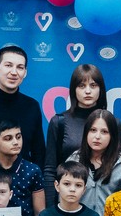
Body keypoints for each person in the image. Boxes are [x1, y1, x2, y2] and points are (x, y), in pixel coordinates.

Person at [44, 64, 107, 207]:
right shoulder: (59, 122)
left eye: (93, 85)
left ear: (101, 89)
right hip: (67, 203)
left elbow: (118, 168)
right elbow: (49, 170)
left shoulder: (112, 123)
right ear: (73, 89)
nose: (88, 91)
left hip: (104, 203)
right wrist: (51, 209)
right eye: (81, 86)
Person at [68, 109, 121, 216]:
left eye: (104, 132)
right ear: (86, 133)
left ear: (112, 136)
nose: (97, 136)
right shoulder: (74, 160)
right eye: (93, 130)